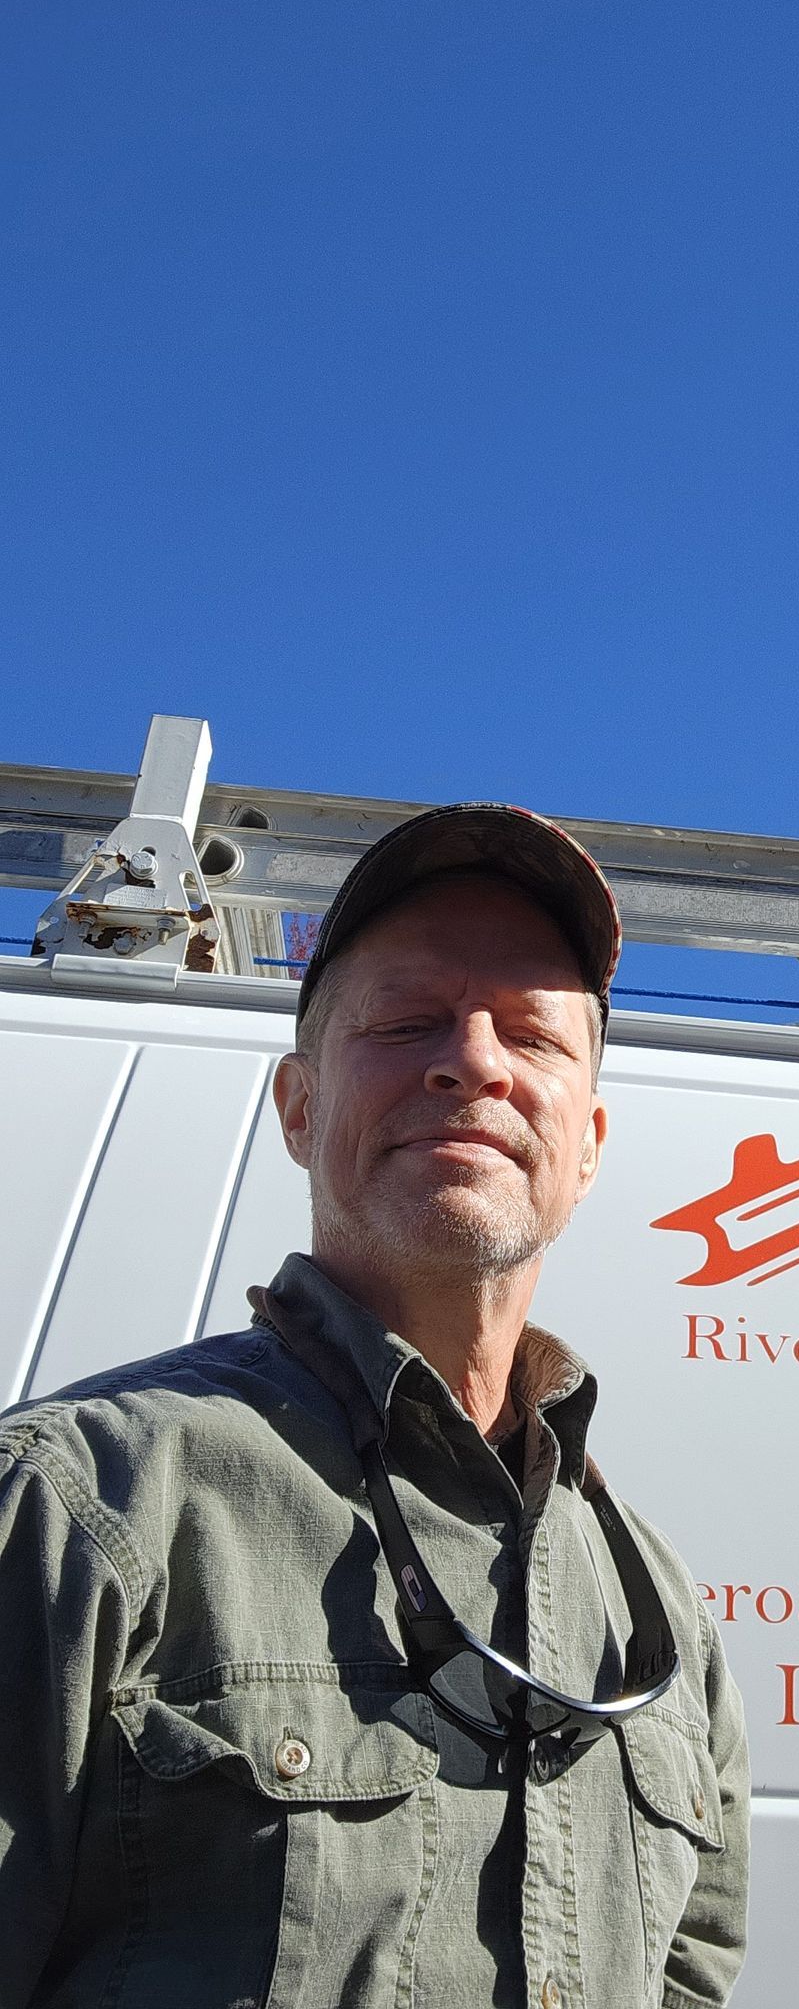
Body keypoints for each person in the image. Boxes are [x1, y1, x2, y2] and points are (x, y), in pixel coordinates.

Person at [0, 802, 750, 2008]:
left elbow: (691, 1975)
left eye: (534, 1039)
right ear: (298, 1110)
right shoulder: (73, 1503)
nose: (475, 1061)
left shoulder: (659, 1624)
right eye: (406, 1022)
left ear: (589, 1142)